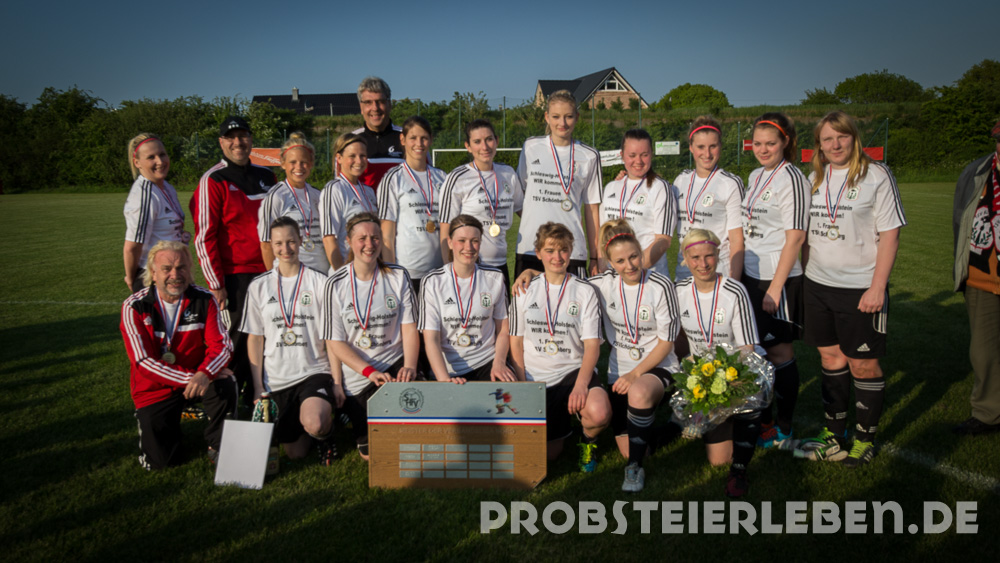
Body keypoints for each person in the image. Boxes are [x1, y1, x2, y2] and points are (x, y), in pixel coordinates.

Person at [793, 111, 907, 466]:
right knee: (830, 358)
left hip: (860, 288)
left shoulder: (877, 175)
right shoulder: (814, 178)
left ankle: (865, 439)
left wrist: (878, 287)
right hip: (817, 284)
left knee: (863, 364)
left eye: (841, 136)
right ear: (819, 145)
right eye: (827, 139)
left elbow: (890, 235)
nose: (835, 144)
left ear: (854, 138)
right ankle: (834, 435)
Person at [120, 241, 236, 469]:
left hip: (198, 379)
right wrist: (195, 378)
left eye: (181, 267)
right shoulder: (134, 306)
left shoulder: (205, 299)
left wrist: (206, 373)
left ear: (189, 269)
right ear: (153, 273)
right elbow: (143, 362)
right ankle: (166, 424)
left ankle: (218, 445)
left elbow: (223, 346)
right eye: (167, 269)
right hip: (155, 389)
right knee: (161, 462)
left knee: (226, 382)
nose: (175, 275)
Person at [508, 222, 611, 472]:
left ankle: (588, 441)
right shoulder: (524, 289)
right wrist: (523, 385)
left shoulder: (585, 291)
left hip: (572, 372)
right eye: (550, 250)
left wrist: (581, 385)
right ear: (538, 253)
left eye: (563, 250)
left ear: (571, 251)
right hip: (535, 377)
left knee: (599, 412)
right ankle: (561, 424)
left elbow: (592, 346)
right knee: (551, 455)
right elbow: (516, 341)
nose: (557, 256)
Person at [191, 116, 277, 408]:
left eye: (243, 136)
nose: (238, 142)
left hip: (270, 271)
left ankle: (260, 394)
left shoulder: (267, 175)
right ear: (221, 142)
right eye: (231, 137)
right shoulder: (213, 180)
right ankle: (224, 399)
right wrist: (216, 284)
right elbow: (204, 237)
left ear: (251, 140)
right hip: (236, 276)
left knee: (269, 334)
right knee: (237, 339)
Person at [241, 217, 340, 466]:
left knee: (315, 423)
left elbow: (332, 336)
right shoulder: (258, 286)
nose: (285, 249)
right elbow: (255, 339)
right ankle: (309, 423)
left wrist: (337, 381)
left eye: (291, 242)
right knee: (296, 452)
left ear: (301, 241)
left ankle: (326, 433)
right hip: (277, 380)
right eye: (279, 243)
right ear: (271, 245)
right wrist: (257, 387)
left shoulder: (319, 282)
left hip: (313, 371)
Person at [590, 220, 680, 492]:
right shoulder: (601, 284)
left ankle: (634, 469)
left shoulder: (660, 285)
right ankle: (676, 424)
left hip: (658, 366)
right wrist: (531, 272)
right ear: (610, 263)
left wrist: (636, 373)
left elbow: (667, 342)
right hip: (620, 373)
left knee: (639, 392)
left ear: (641, 253)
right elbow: (563, 282)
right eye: (620, 261)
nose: (629, 265)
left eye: (633, 257)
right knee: (632, 446)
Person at [322, 212, 419, 460]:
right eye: (362, 238)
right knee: (372, 453)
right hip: (361, 376)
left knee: (415, 434)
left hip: (395, 364)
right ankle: (350, 414)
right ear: (348, 241)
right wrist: (369, 372)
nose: (369, 244)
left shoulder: (398, 275)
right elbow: (335, 342)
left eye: (375, 238)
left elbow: (409, 328)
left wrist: (409, 365)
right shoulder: (335, 283)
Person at [674, 228, 762, 497]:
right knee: (717, 459)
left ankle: (739, 470)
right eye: (695, 258)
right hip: (702, 376)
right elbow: (674, 338)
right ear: (685, 259)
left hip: (736, 371)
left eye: (709, 256)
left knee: (749, 401)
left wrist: (724, 378)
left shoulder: (734, 291)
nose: (703, 264)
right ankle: (692, 420)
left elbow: (747, 348)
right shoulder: (678, 291)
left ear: (718, 255)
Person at [742, 112, 808, 449]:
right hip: (751, 275)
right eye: (758, 143)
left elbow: (795, 237)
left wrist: (776, 288)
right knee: (759, 352)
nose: (763, 149)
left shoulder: (792, 178)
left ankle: (783, 427)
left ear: (786, 142)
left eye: (770, 143)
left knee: (779, 352)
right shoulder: (756, 175)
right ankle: (764, 421)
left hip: (777, 278)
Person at [516, 90, 603, 278]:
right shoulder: (531, 147)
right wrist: (535, 219)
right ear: (547, 117)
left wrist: (596, 257)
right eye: (556, 116)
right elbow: (519, 195)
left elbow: (592, 210)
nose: (562, 123)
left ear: (577, 117)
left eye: (568, 116)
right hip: (531, 248)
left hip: (571, 250)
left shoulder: (589, 155)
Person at [419, 215, 514, 384]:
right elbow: (431, 338)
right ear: (450, 243)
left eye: (474, 241)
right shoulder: (433, 282)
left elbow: (503, 329)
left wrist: (499, 363)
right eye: (461, 241)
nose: (468, 247)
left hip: (487, 362)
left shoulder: (495, 278)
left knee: (511, 398)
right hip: (448, 369)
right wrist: (444, 380)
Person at [951, 120, 1000, 435]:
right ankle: (988, 413)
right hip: (982, 277)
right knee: (983, 352)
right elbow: (960, 221)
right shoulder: (975, 172)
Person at [439, 119, 524, 289]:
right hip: (469, 266)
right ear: (468, 146)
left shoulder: (508, 173)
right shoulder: (457, 178)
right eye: (477, 141)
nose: (484, 147)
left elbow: (523, 211)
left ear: (497, 141)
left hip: (501, 266)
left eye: (489, 139)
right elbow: (445, 231)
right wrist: (450, 273)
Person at [378, 116, 446, 294]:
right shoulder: (393, 178)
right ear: (402, 140)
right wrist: (392, 275)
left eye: (424, 138)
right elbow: (387, 235)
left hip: (439, 271)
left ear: (431, 140)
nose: (419, 143)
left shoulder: (442, 177)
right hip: (408, 272)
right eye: (413, 138)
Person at [672, 116, 746, 281]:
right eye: (701, 147)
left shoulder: (730, 183)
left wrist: (734, 283)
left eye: (713, 146)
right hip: (684, 271)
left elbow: (736, 239)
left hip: (717, 271)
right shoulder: (680, 180)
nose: (707, 153)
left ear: (720, 146)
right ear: (691, 147)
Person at [598, 128, 677, 277]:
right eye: (632, 155)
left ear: (651, 154)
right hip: (613, 278)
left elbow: (663, 240)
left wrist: (632, 269)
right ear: (622, 155)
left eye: (644, 155)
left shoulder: (660, 188)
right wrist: (603, 268)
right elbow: (602, 235)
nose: (638, 161)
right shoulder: (610, 187)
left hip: (647, 276)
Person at [123, 133, 190, 293]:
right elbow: (132, 246)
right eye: (151, 157)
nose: (160, 161)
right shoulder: (144, 195)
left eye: (162, 154)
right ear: (137, 163)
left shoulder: (166, 187)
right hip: (153, 277)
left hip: (174, 272)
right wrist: (131, 278)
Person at [258, 132, 329, 274]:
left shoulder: (318, 195)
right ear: (283, 163)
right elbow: (266, 244)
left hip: (320, 274)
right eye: (293, 162)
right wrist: (274, 279)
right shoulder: (276, 196)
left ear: (311, 163)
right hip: (291, 275)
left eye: (304, 162)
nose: (299, 167)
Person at [320, 133, 378, 272]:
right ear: (339, 158)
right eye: (352, 156)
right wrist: (342, 276)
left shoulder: (369, 191)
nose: (358, 161)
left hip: (370, 271)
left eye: (362, 156)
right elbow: (329, 239)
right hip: (347, 272)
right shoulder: (334, 189)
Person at [354, 76, 404, 189]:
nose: (375, 108)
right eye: (368, 102)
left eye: (380, 101)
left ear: (389, 104)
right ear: (361, 107)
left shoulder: (409, 139)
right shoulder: (350, 141)